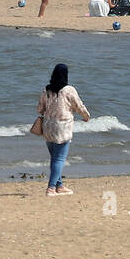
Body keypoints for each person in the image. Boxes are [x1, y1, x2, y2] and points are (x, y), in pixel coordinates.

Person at [37, 63, 91, 196]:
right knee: (59, 159)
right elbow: (79, 105)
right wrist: (86, 116)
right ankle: (51, 188)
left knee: (55, 158)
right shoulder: (69, 90)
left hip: (48, 127)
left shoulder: (46, 90)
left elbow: (39, 109)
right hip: (62, 127)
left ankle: (59, 186)